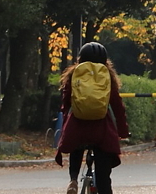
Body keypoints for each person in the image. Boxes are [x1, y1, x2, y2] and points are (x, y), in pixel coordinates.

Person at [55, 42, 129, 194]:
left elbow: (65, 104)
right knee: (103, 177)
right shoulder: (107, 76)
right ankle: (103, 188)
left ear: (80, 59)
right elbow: (118, 107)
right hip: (101, 130)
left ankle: (73, 180)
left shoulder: (74, 74)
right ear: (105, 61)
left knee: (76, 145)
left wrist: (64, 129)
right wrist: (123, 131)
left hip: (77, 126)